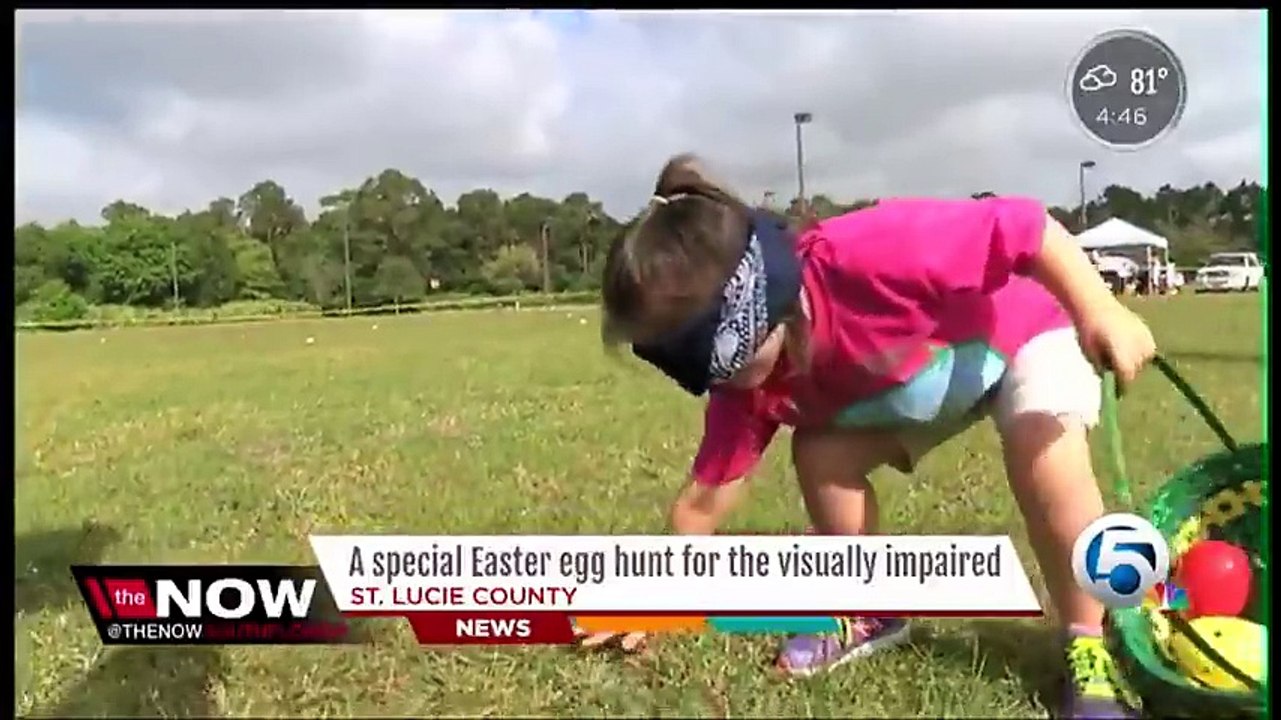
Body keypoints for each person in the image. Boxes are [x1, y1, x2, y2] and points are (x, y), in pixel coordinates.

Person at [591, 153, 1157, 720]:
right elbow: (705, 498)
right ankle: (873, 606)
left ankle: (1088, 641)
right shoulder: (747, 385)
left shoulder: (867, 252)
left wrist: (1100, 308)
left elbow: (1023, 227)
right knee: (820, 453)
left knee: (1044, 452)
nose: (716, 383)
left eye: (710, 357)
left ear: (752, 300)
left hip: (1024, 334)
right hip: (926, 381)